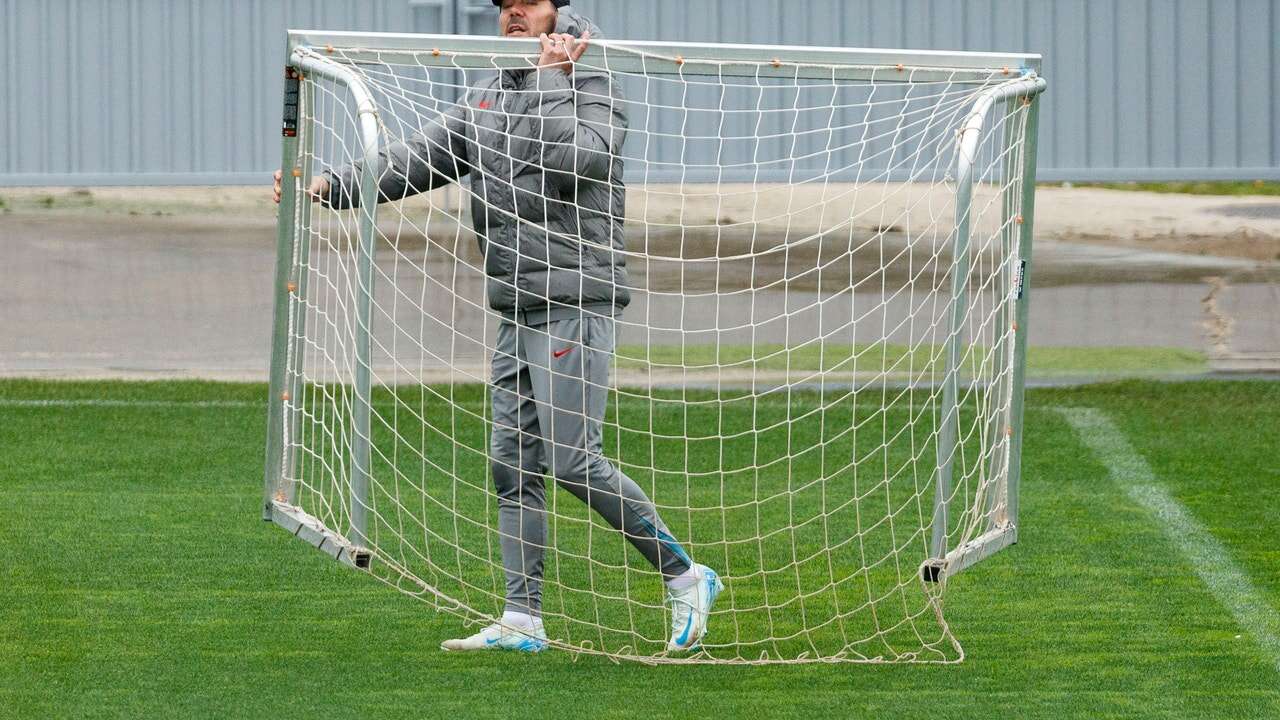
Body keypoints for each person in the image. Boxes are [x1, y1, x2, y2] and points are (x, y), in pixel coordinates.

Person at [272, 0, 721, 654]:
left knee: (574, 461)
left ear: (557, 11)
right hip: (515, 302)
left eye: (528, 4)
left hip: (577, 296)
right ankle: (522, 619)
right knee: (514, 464)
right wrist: (327, 186)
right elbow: (413, 161)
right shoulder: (488, 94)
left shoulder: (593, 84)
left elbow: (582, 163)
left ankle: (685, 575)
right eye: (505, 5)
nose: (514, 13)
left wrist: (548, 80)